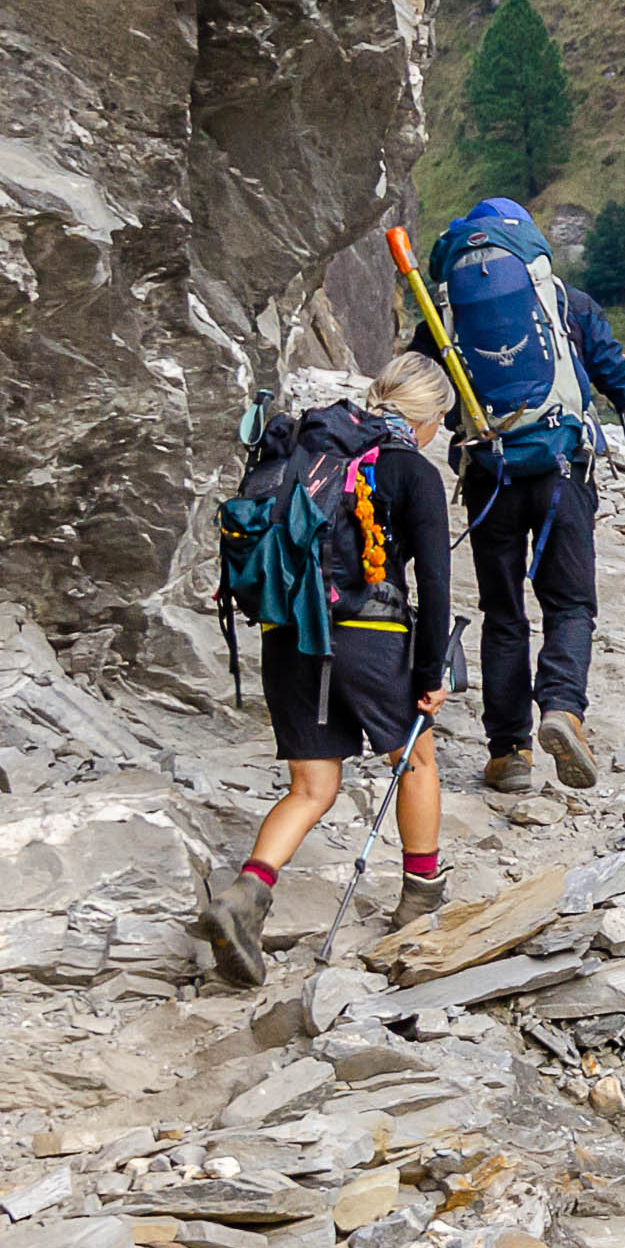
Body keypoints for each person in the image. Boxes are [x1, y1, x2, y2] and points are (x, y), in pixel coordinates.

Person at [200, 354, 458, 988]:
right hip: (369, 637)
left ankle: (245, 898)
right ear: (425, 418)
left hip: (288, 636)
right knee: (416, 760)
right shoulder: (410, 470)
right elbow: (437, 582)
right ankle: (420, 895)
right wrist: (431, 673)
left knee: (312, 789)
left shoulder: (306, 456)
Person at [414, 199, 625, 794]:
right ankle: (563, 710)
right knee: (568, 604)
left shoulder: (447, 317)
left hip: (489, 474)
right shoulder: (566, 305)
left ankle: (509, 752)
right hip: (564, 470)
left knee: (504, 613)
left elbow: (422, 390)